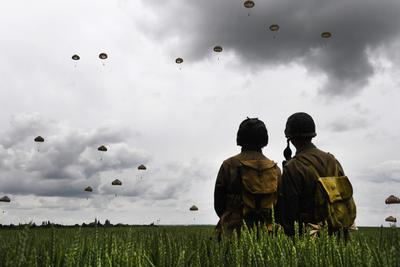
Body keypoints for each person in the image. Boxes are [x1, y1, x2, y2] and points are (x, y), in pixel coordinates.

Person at [277, 112, 355, 239]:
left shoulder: (292, 167)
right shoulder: (333, 161)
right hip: (339, 235)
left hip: (309, 240)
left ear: (289, 138)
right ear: (312, 134)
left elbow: (289, 216)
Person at [214, 117, 281, 237]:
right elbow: (280, 206)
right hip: (267, 233)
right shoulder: (275, 169)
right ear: (264, 140)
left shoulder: (229, 165)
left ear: (240, 138)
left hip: (232, 232)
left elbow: (219, 204)